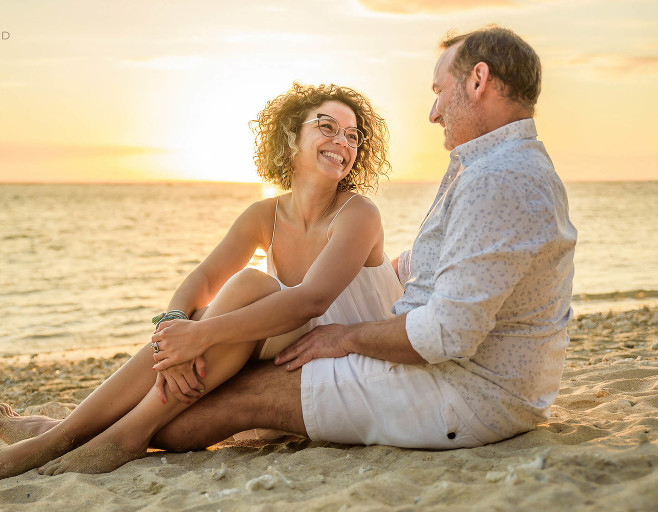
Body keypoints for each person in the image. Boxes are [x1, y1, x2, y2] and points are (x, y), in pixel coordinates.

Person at [92, 25, 575, 453]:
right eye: (326, 127)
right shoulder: (489, 167)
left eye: (439, 89)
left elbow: (443, 334)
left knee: (190, 419)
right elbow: (453, 262)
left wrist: (344, 338)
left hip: (463, 395)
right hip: (471, 380)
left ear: (478, 80)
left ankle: (99, 436)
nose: (434, 110)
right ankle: (73, 431)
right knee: (221, 319)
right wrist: (179, 327)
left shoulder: (499, 177)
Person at [0, 82, 403, 479]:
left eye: (352, 136)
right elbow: (205, 276)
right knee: (214, 304)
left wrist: (197, 335)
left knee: (248, 288)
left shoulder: (359, 214)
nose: (342, 142)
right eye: (327, 127)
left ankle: (90, 433)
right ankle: (60, 436)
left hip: (340, 353)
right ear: (292, 136)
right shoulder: (265, 214)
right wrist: (173, 330)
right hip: (283, 346)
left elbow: (311, 300)